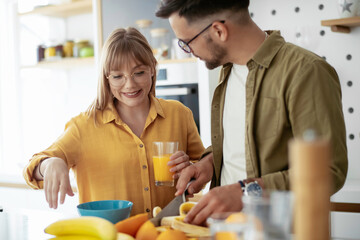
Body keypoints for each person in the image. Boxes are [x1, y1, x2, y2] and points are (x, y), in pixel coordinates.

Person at [156, 0, 348, 225]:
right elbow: (241, 145)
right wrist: (209, 163)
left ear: (219, 30)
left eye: (186, 42)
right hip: (226, 229)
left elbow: (328, 171)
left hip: (279, 231)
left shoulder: (306, 72)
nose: (189, 51)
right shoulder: (227, 70)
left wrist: (245, 192)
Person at [23, 27, 205, 216]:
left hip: (167, 234)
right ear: (106, 78)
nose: (130, 84)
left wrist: (190, 170)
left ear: (152, 68)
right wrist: (50, 164)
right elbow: (32, 169)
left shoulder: (179, 114)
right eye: (118, 76)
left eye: (139, 73)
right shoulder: (83, 127)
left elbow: (204, 167)